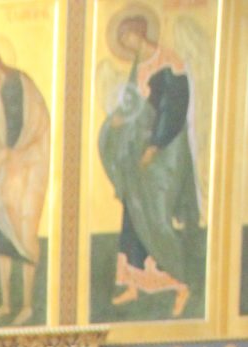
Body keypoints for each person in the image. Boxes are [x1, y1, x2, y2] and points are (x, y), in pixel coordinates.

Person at [97, 9, 199, 317]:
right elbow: (132, 103)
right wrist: (118, 119)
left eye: (127, 37)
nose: (126, 43)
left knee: (156, 217)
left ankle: (181, 284)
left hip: (164, 154)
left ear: (139, 32)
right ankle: (134, 283)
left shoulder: (168, 62)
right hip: (136, 154)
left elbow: (173, 108)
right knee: (133, 216)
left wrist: (154, 146)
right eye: (122, 40)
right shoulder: (137, 66)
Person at [0, 49, 50, 324]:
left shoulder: (19, 84)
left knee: (26, 233)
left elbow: (32, 121)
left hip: (30, 166)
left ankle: (28, 304)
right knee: (2, 233)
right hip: (9, 167)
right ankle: (6, 303)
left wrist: (13, 148)